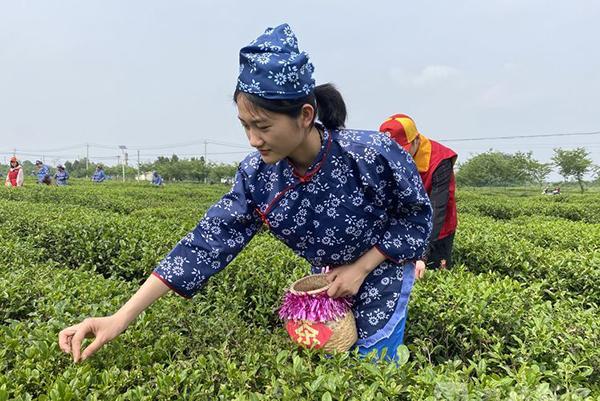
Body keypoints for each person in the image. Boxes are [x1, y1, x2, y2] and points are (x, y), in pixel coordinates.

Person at [59, 24, 432, 363]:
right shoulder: (257, 178)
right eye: (245, 126)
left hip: (382, 270)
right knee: (331, 365)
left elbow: (416, 219)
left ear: (304, 115)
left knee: (374, 367)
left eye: (263, 126)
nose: (253, 140)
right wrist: (121, 316)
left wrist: (362, 267)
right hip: (328, 283)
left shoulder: (370, 154)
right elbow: (204, 243)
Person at [380, 114, 457, 275]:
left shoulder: (440, 160)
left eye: (403, 150)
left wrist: (423, 254)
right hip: (404, 225)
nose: (399, 156)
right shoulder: (384, 157)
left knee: (432, 275)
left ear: (416, 140)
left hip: (437, 230)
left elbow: (437, 208)